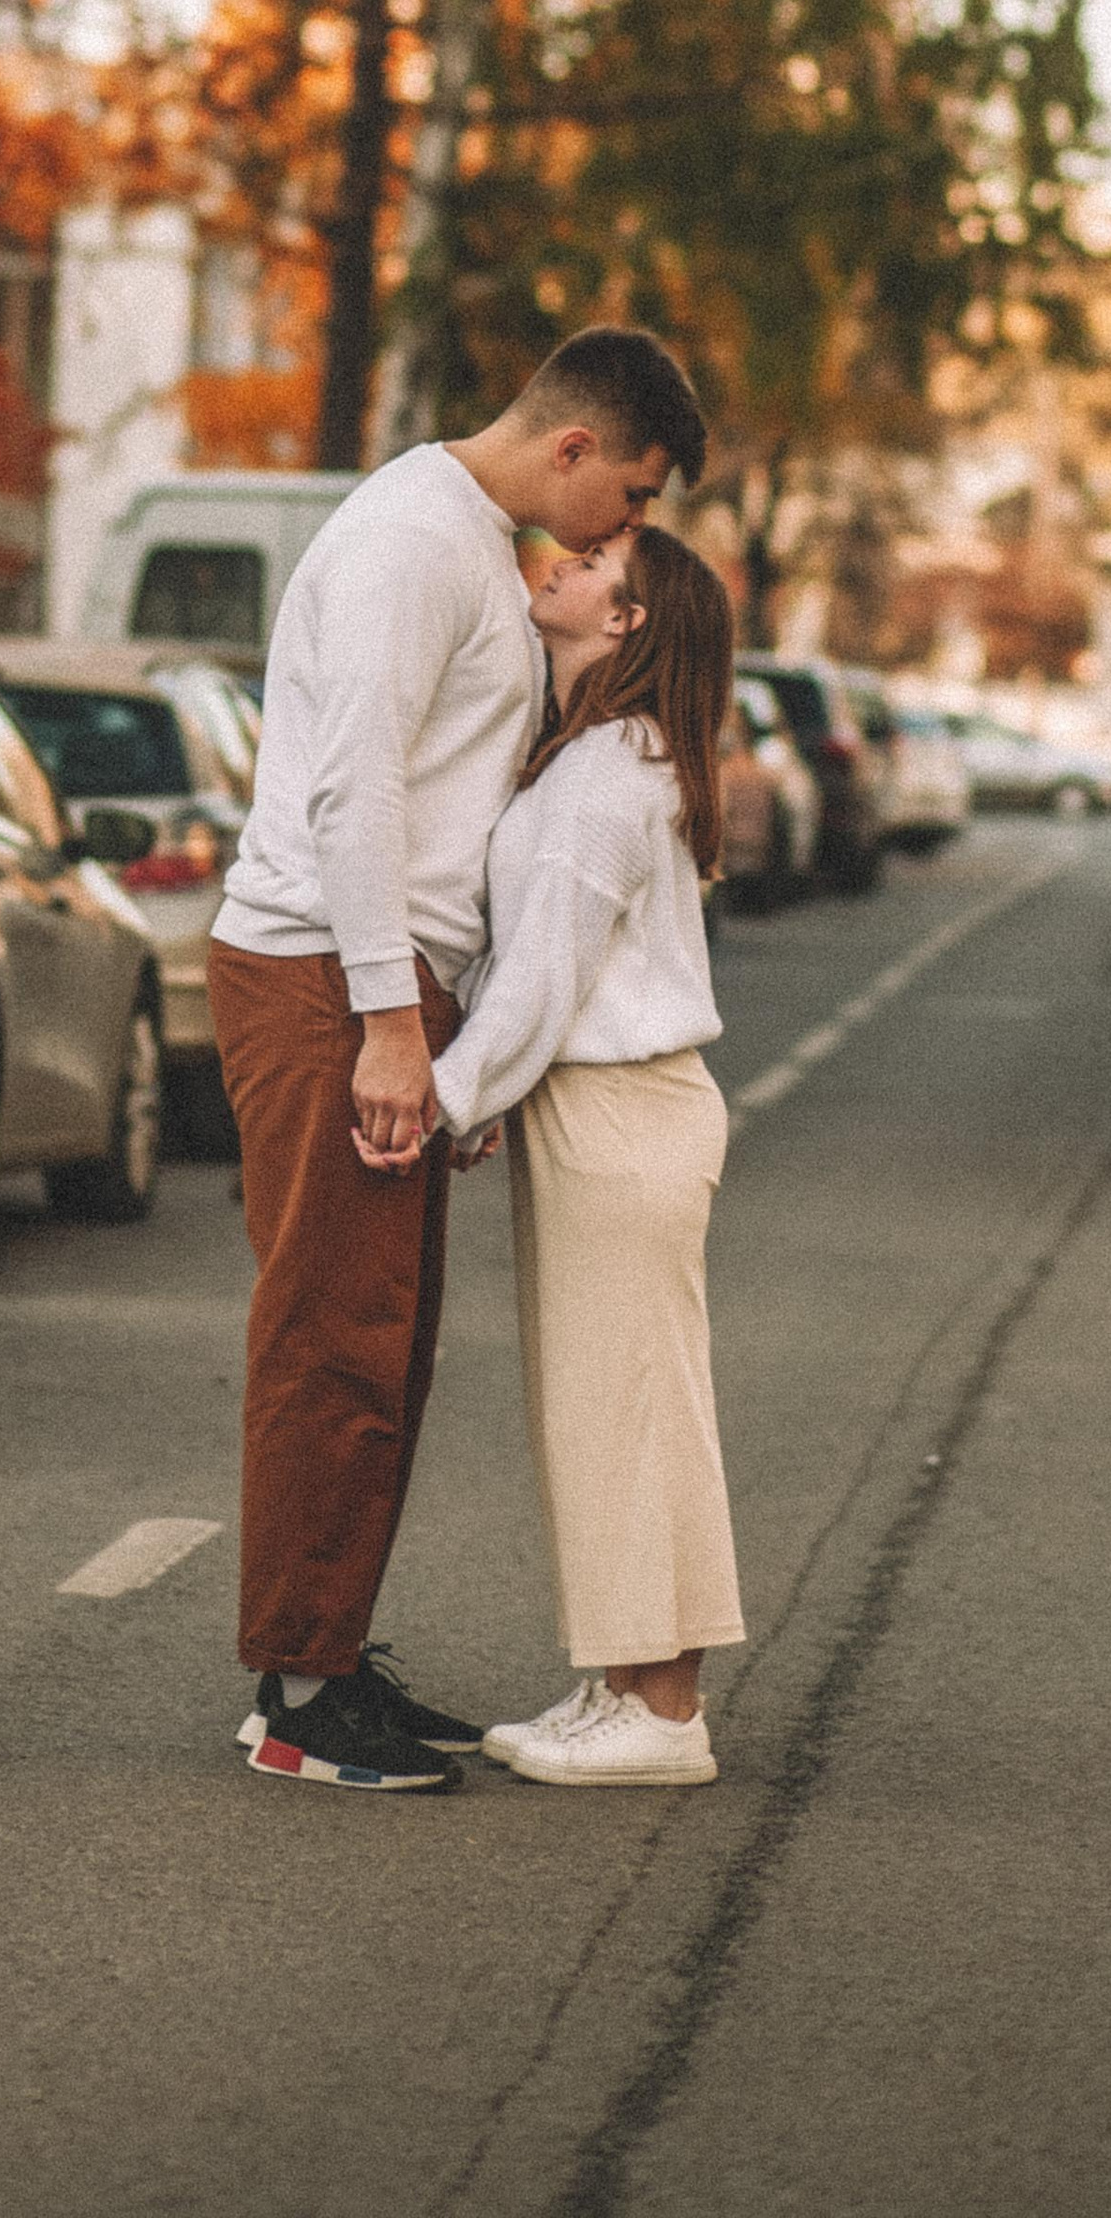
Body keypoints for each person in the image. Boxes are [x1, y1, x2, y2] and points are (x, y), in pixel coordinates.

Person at [210, 327, 708, 1793]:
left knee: (384, 1338)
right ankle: (301, 1697)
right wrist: (382, 1022)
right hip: (323, 975)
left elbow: (446, 816)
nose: (631, 525)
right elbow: (353, 786)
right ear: (574, 450)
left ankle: (327, 1658)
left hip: (380, 986)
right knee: (332, 1336)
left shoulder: (472, 546)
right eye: (634, 490)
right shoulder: (414, 545)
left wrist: (448, 1029)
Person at [429, 523, 745, 1788]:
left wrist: (439, 1100)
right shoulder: (594, 758)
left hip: (622, 1113)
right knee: (595, 1402)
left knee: (635, 1407)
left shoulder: (607, 777)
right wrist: (492, 1093)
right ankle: (620, 1679)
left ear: (626, 622)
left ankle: (666, 1711)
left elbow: (541, 982)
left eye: (597, 562)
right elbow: (536, 968)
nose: (562, 560)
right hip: (598, 1110)